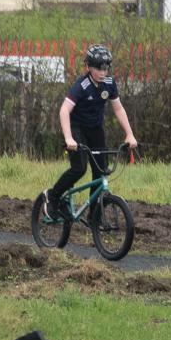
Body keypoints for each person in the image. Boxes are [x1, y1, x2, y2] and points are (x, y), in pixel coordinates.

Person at [43, 44, 138, 221]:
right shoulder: (82, 86)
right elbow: (64, 110)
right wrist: (68, 138)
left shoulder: (109, 84)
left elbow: (118, 109)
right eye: (98, 68)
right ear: (88, 67)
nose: (103, 73)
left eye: (105, 68)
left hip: (96, 129)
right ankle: (53, 196)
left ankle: (94, 214)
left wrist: (129, 134)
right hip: (76, 128)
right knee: (79, 168)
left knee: (101, 171)